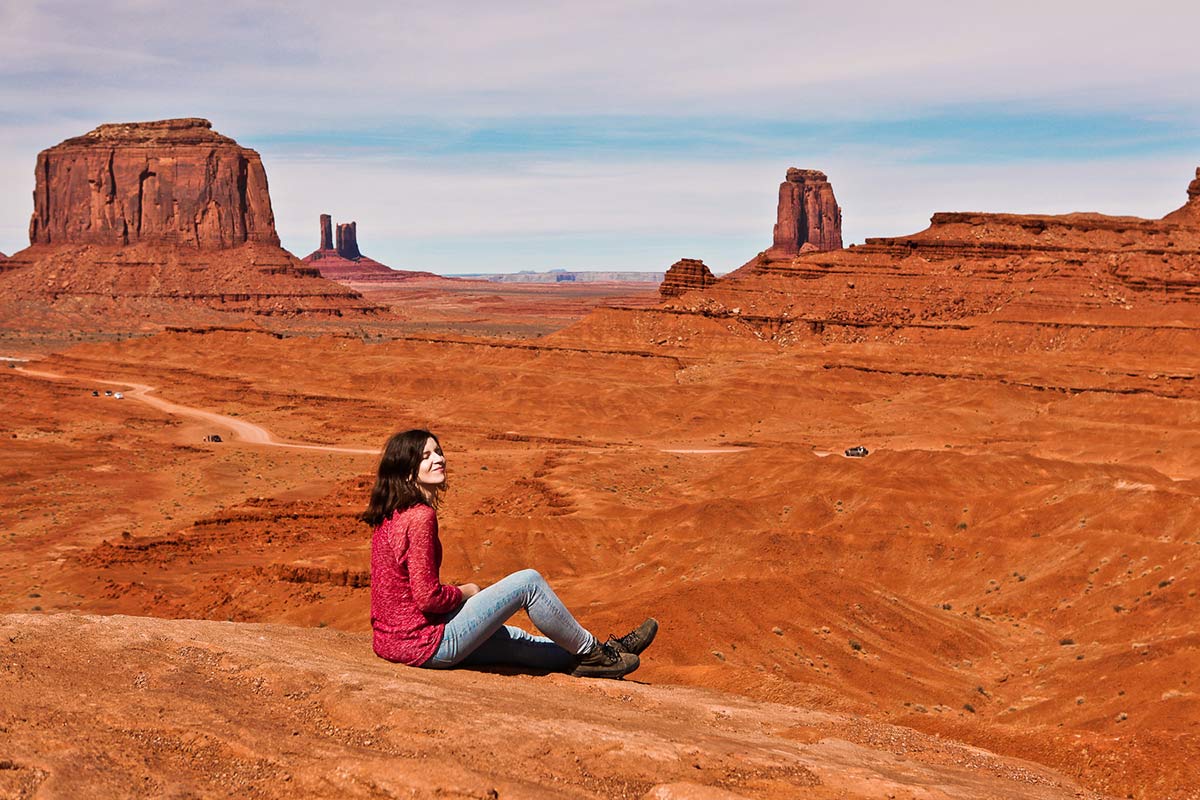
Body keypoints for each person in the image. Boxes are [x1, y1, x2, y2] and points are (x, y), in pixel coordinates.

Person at [363, 429, 656, 679]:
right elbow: (428, 597)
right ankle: (593, 652)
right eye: (425, 456)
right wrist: (466, 591)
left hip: (394, 642)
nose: (439, 459)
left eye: (437, 451)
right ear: (406, 469)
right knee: (528, 583)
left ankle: (603, 655)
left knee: (517, 640)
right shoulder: (420, 517)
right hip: (427, 645)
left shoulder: (391, 515)